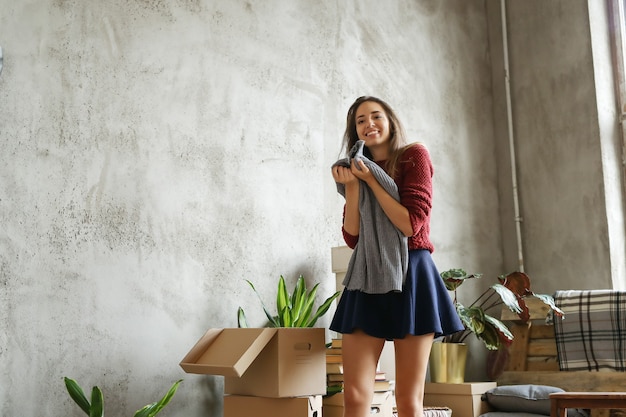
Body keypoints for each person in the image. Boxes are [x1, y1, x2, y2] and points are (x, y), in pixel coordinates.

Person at [330, 96, 464, 417]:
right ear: (355, 130)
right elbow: (353, 237)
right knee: (356, 396)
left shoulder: (413, 156)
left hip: (412, 273)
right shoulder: (356, 166)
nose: (369, 124)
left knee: (408, 400)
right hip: (367, 274)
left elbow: (410, 223)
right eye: (360, 120)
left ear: (390, 121)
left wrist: (372, 180)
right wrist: (352, 185)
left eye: (376, 116)